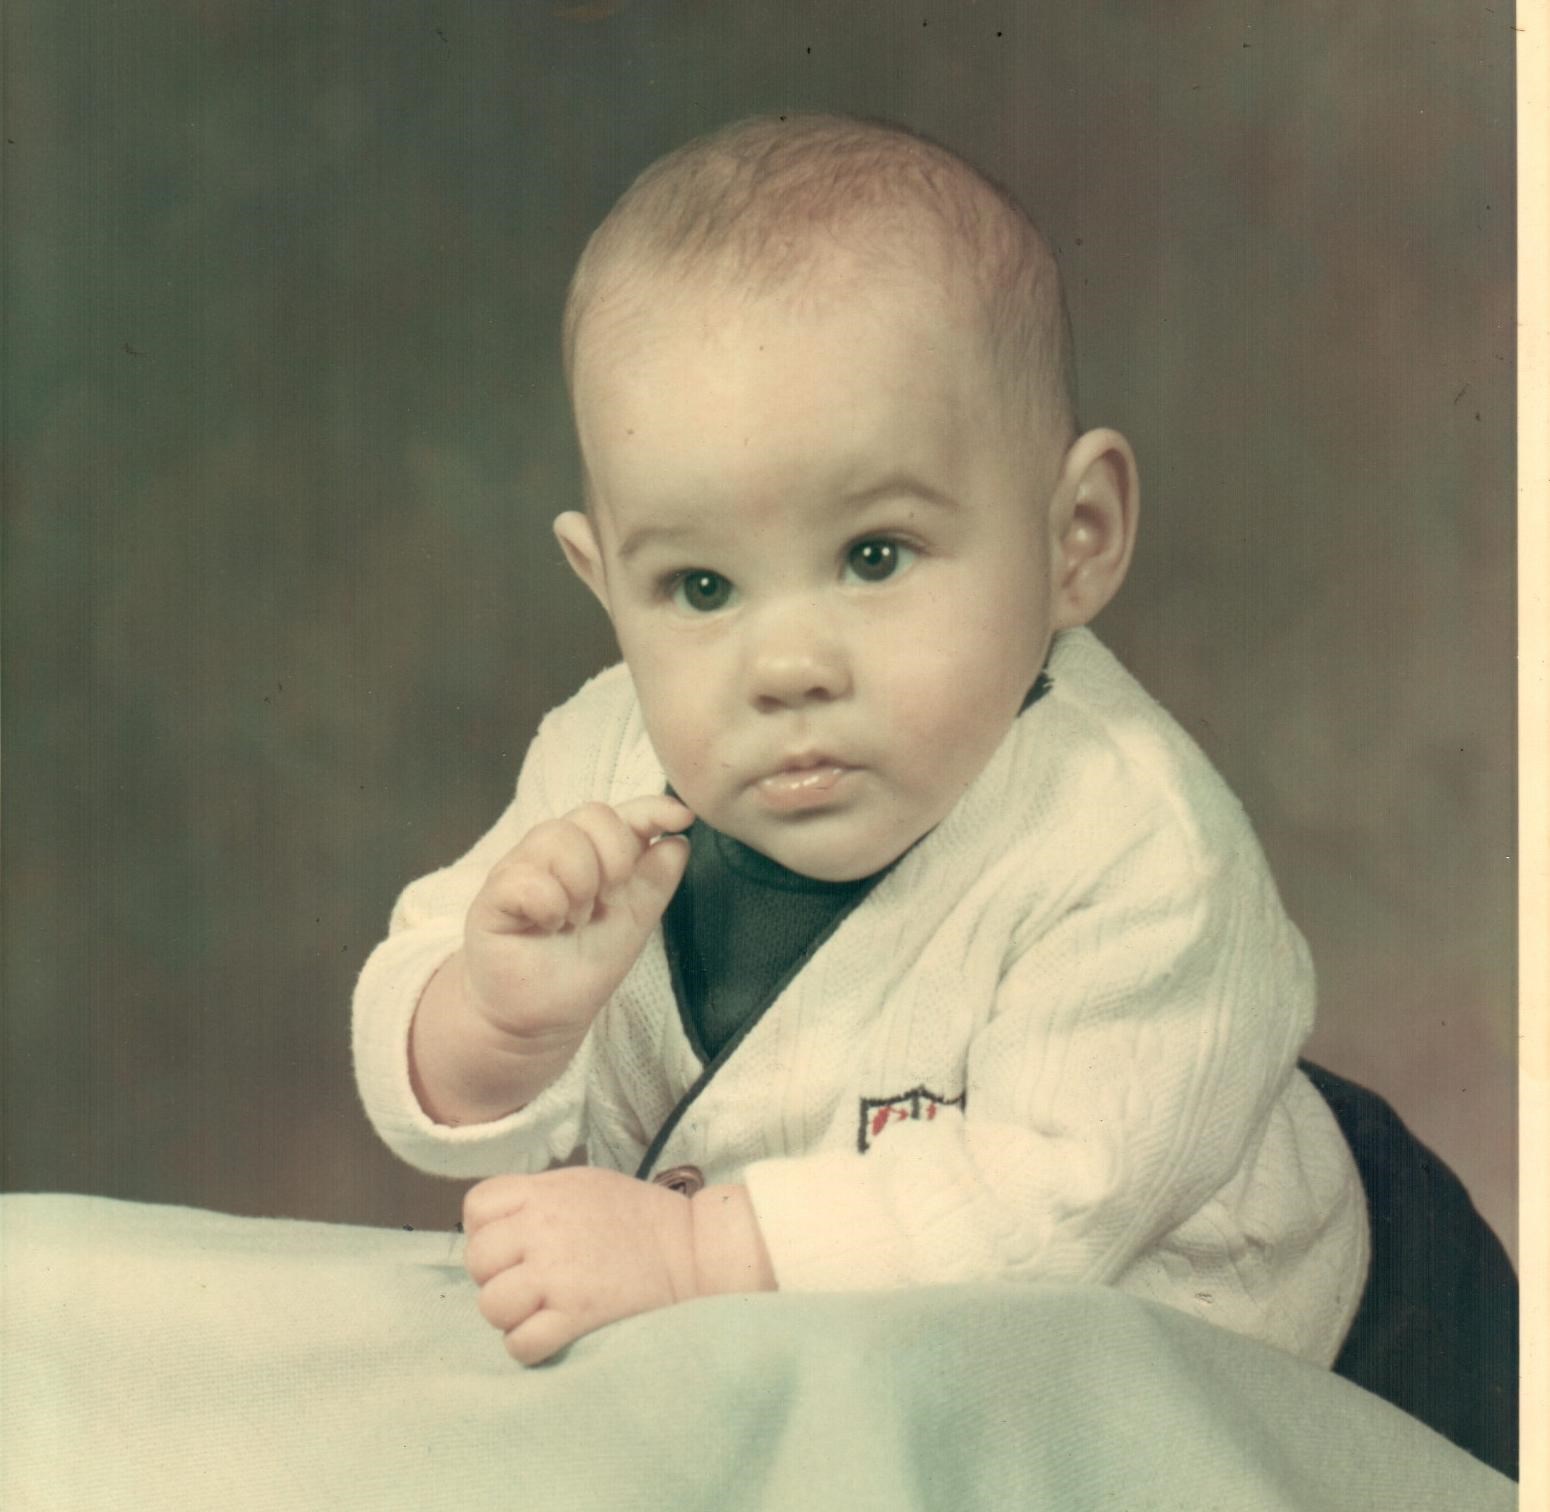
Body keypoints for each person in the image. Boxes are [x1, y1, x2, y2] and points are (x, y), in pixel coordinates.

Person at [352, 113, 1369, 1368]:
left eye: (873, 557)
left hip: (1179, 1369)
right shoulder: (599, 756)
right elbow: (424, 978)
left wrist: (696, 1255)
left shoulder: (1132, 844)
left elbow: (1049, 1206)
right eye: (700, 588)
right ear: (602, 581)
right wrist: (491, 1023)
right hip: (803, 1354)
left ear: (1075, 538)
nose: (786, 668)